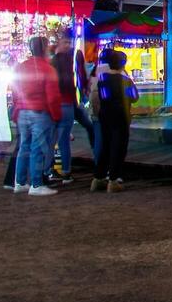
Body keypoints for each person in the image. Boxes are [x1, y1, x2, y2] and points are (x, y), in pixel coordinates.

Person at [9, 37, 63, 196]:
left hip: (22, 111)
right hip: (40, 111)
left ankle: (19, 182)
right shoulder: (48, 69)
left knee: (23, 147)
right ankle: (36, 184)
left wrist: (17, 107)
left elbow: (14, 89)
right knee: (38, 148)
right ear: (45, 48)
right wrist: (56, 115)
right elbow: (53, 97)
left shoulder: (20, 67)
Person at [92, 48, 136, 193]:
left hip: (105, 114)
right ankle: (113, 180)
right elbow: (134, 97)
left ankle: (98, 178)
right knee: (119, 146)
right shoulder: (125, 80)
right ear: (122, 64)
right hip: (121, 116)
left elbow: (103, 96)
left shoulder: (103, 78)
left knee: (105, 145)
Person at [49, 36, 91, 184]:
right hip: (66, 102)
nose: (68, 45)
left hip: (63, 102)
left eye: (69, 42)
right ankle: (65, 172)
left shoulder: (56, 61)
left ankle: (52, 171)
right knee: (62, 139)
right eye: (65, 42)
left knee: (57, 138)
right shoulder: (70, 59)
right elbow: (77, 79)